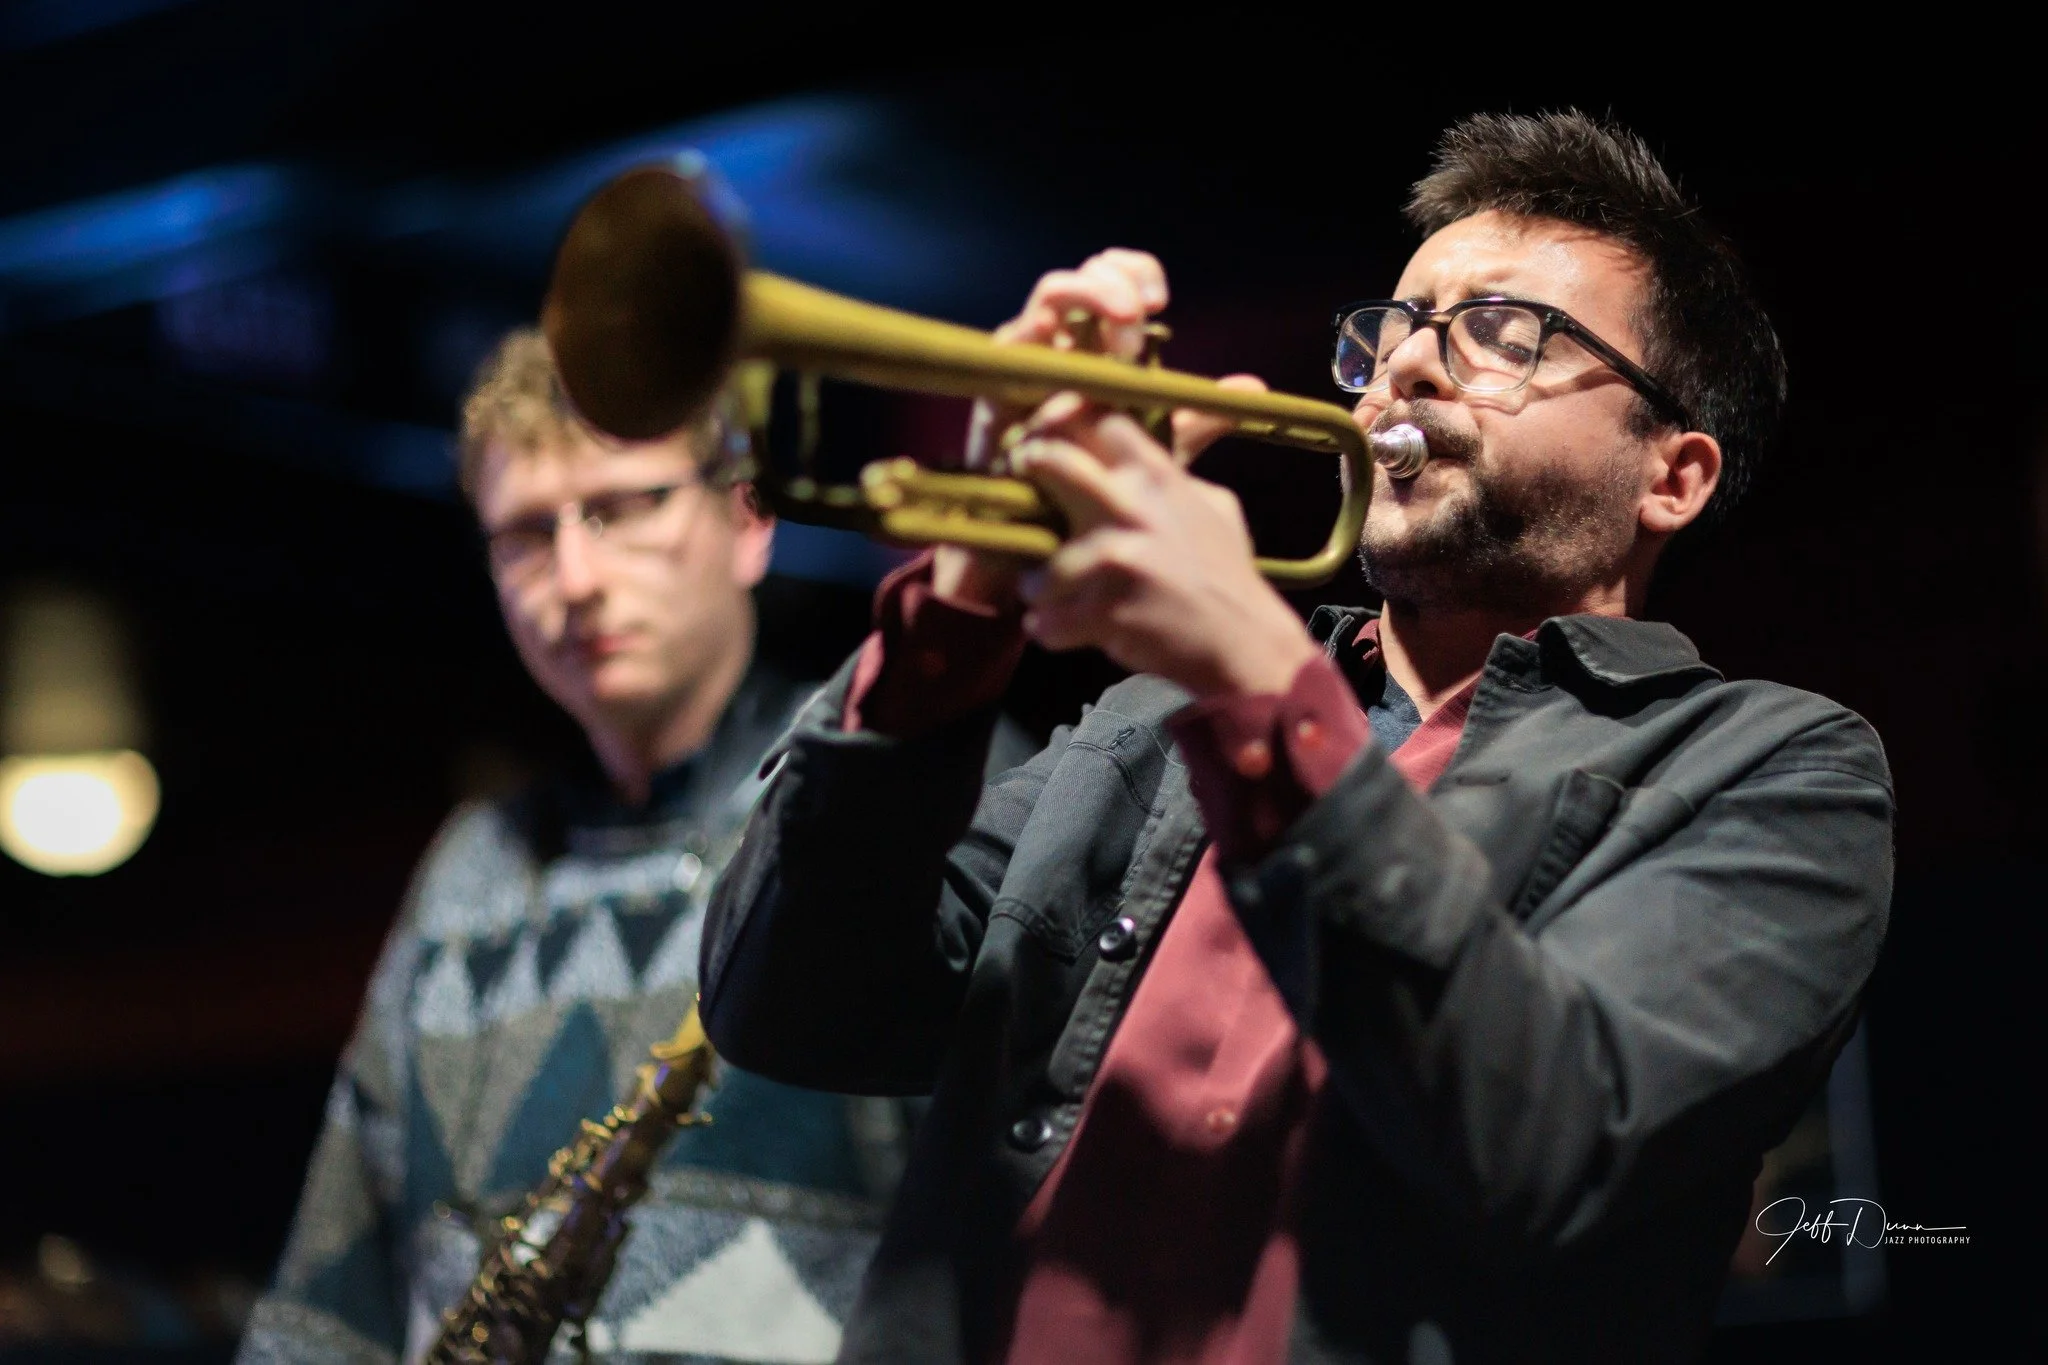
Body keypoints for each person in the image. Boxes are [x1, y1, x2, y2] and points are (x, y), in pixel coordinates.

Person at [697, 112, 1893, 1364]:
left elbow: (1546, 1143)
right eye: (1398, 328)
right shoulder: (1145, 728)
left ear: (1672, 476)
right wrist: (960, 601)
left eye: (1503, 332)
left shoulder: (1772, 771)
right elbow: (789, 1007)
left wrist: (1257, 679)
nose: (1409, 371)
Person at [242, 329, 908, 1365]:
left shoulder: (902, 803)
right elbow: (336, 1288)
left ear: (746, 517)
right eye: (523, 533)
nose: (575, 575)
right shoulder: (467, 869)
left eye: (622, 506)